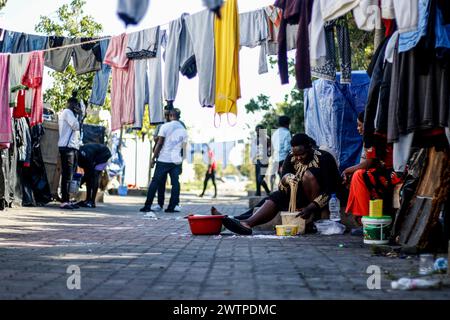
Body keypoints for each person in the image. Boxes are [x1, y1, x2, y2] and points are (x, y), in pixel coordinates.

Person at [214, 133, 341, 235]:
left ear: (310, 147)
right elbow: (282, 186)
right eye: (296, 155)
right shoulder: (291, 157)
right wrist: (286, 179)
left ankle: (234, 219)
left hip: (317, 202)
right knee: (275, 197)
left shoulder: (324, 158)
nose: (298, 158)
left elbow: (330, 190)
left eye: (302, 154)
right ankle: (246, 223)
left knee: (308, 175)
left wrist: (311, 207)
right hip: (297, 198)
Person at [343, 111, 401, 225]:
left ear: (368, 124)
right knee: (357, 175)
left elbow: (369, 163)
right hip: (388, 171)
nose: (358, 128)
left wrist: (347, 170)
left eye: (360, 125)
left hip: (393, 173)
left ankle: (364, 217)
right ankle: (362, 216)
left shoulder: (373, 137)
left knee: (359, 175)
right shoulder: (378, 134)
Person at [140, 109, 188, 213]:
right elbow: (184, 149)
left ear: (171, 115)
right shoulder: (183, 129)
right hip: (176, 161)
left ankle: (147, 206)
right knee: (175, 183)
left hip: (163, 160)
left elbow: (159, 143)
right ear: (179, 116)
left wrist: (153, 158)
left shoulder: (165, 126)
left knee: (155, 182)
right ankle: (171, 207)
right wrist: (181, 164)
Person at [58, 93, 83, 210]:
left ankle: (67, 199)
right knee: (67, 176)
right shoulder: (67, 113)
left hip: (71, 148)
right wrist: (79, 115)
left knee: (70, 175)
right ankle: (64, 201)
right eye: (74, 105)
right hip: (67, 148)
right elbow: (76, 126)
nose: (75, 107)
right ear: (70, 104)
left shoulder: (70, 113)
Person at [77, 143, 112, 208]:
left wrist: (81, 181)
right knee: (88, 178)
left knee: (94, 176)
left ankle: (92, 202)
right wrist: (82, 180)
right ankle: (87, 200)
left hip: (104, 155)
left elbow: (89, 172)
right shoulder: (80, 156)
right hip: (95, 155)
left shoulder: (86, 156)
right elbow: (86, 172)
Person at [251, 124, 270, 197]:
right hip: (257, 160)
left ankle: (268, 191)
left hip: (264, 161)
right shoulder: (254, 139)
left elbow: (271, 149)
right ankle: (258, 192)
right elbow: (253, 150)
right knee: (257, 178)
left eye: (259, 130)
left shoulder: (266, 138)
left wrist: (268, 155)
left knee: (260, 178)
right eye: (256, 130)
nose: (258, 132)